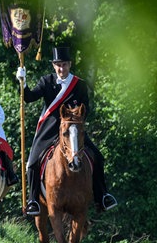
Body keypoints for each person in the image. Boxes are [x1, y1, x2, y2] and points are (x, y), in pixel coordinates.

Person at [17, 47, 118, 215]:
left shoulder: (79, 84)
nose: (61, 69)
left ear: (69, 65)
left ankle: (103, 196)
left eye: (64, 65)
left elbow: (87, 109)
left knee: (98, 158)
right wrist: (23, 82)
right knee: (32, 162)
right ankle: (33, 200)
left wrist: (76, 117)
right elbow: (29, 98)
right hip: (49, 129)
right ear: (54, 66)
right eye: (58, 65)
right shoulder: (46, 81)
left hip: (73, 130)